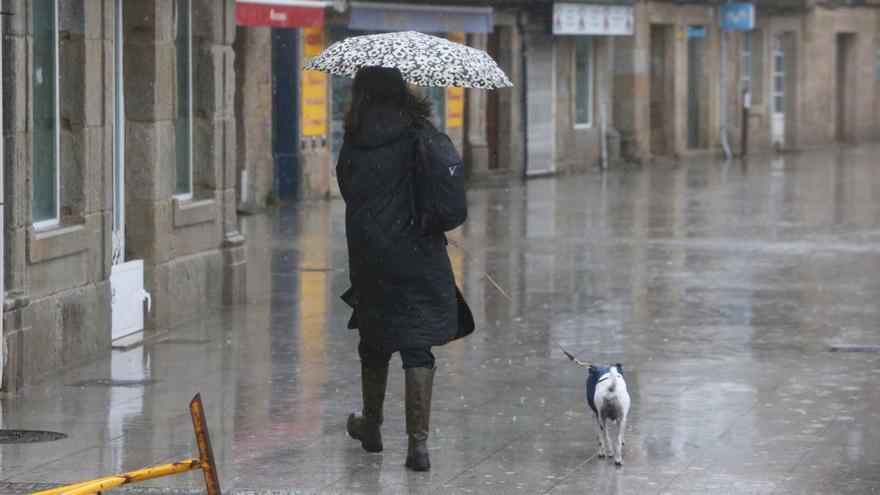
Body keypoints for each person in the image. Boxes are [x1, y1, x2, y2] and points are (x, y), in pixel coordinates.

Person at [336, 66, 472, 472]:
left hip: (369, 254)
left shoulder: (354, 136)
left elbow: (347, 186)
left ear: (361, 91)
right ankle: (418, 448)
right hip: (417, 250)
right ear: (400, 89)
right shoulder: (419, 132)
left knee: (374, 338)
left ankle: (372, 428)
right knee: (416, 343)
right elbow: (445, 196)